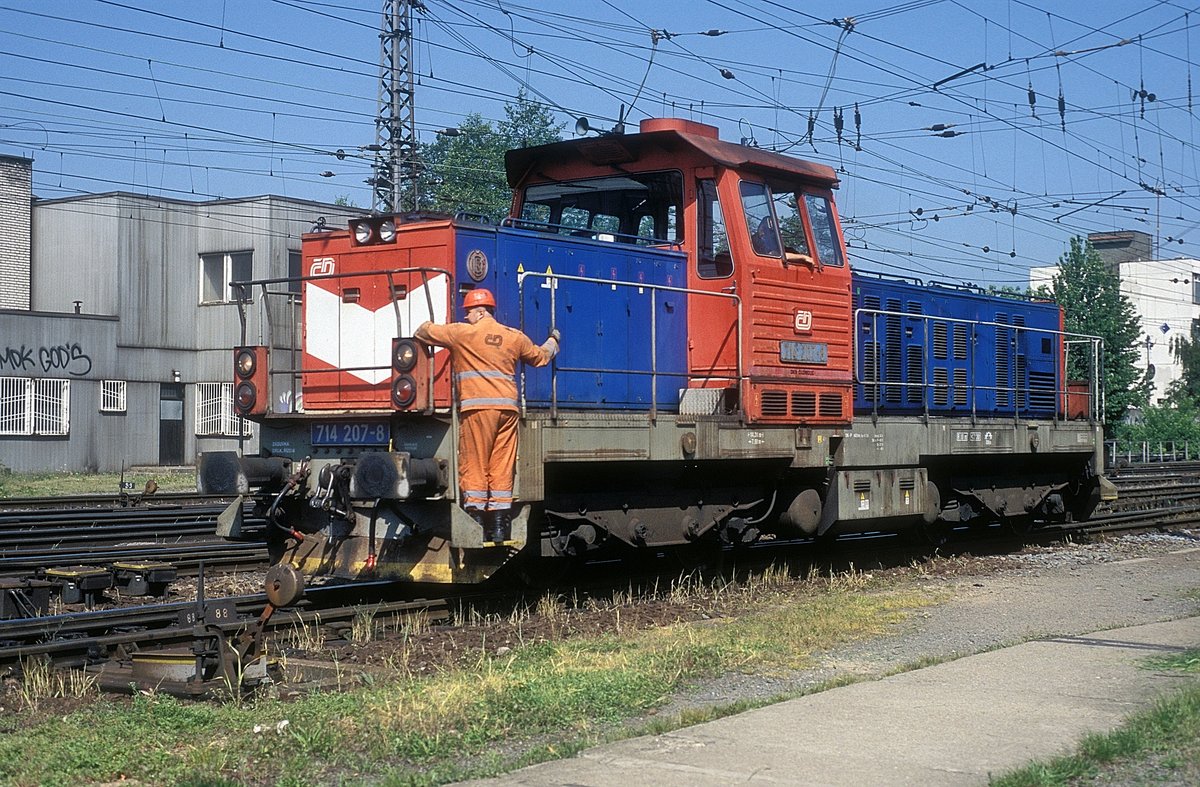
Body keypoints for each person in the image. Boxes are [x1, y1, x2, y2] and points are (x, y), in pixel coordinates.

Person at [415, 288, 561, 543]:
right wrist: (554, 341)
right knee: (502, 464)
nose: (467, 315)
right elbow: (540, 357)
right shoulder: (512, 336)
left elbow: (424, 332)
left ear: (481, 311)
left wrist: (425, 321)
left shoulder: (462, 333)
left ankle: (477, 522)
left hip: (478, 409)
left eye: (469, 311)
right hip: (507, 410)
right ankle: (499, 528)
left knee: (475, 463)